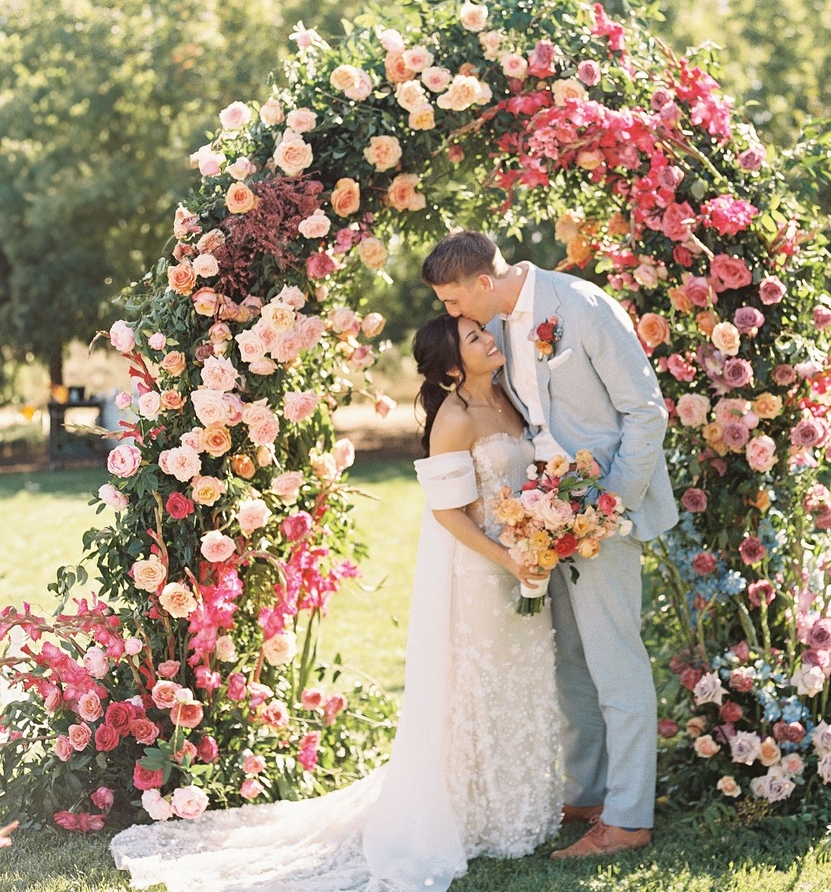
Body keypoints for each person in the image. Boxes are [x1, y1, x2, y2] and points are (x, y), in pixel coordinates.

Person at [110, 314, 563, 892]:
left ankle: (515, 807)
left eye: (482, 332)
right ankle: (472, 814)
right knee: (478, 685)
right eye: (475, 338)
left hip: (522, 560)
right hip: (480, 571)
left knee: (518, 679)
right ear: (452, 366)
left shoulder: (510, 396)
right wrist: (507, 559)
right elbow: (447, 513)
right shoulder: (454, 420)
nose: (489, 340)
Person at [422, 229, 678, 860]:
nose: (452, 317)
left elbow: (646, 411)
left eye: (454, 303)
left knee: (616, 664)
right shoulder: (498, 327)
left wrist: (611, 505)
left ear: (483, 283)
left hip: (601, 516)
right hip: (544, 520)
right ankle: (589, 795)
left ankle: (628, 818)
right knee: (569, 664)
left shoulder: (583, 308)